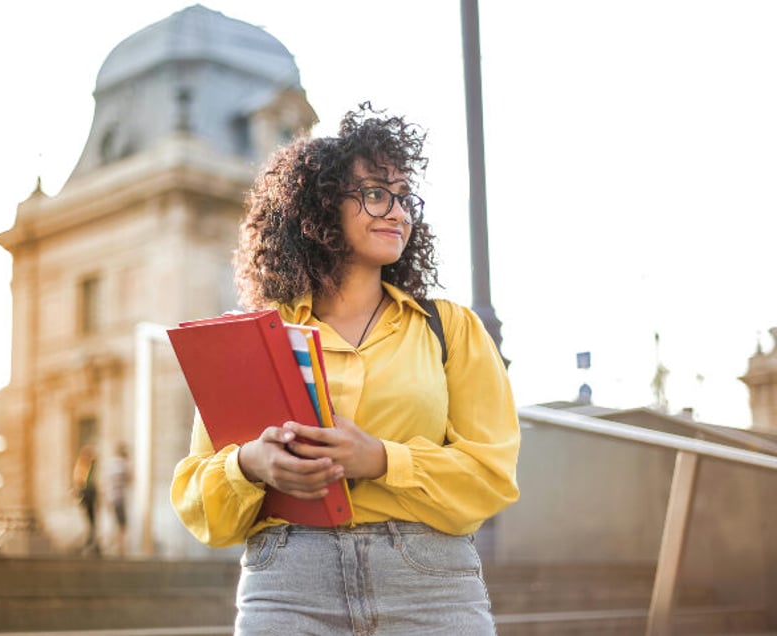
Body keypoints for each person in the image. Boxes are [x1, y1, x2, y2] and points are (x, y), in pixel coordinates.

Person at [170, 103, 520, 635]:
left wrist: (381, 459)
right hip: (288, 582)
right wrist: (249, 465)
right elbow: (199, 499)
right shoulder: (255, 338)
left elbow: (492, 476)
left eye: (405, 198)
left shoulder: (450, 328)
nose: (399, 212)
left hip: (429, 582)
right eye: (376, 193)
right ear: (321, 206)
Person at [103, 441, 132, 557]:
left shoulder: (110, 464)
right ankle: (119, 548)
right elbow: (129, 479)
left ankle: (114, 546)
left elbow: (105, 481)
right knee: (122, 525)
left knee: (114, 522)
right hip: (119, 497)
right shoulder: (123, 465)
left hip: (110, 497)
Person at [72, 444, 100, 556]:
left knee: (91, 520)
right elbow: (80, 481)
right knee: (90, 520)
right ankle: (90, 541)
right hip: (88, 493)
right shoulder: (84, 466)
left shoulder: (85, 466)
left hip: (89, 493)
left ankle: (91, 540)